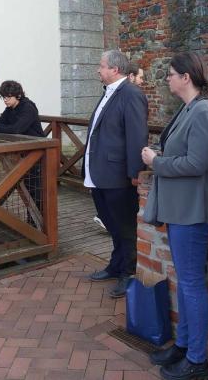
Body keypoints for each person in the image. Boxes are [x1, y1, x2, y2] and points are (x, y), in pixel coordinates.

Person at [141, 52, 208, 380]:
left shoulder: (204, 111)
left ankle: (197, 361)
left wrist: (156, 162)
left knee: (191, 284)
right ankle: (185, 346)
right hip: (181, 209)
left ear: (186, 77)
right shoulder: (189, 108)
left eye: (171, 74)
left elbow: (196, 164)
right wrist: (160, 156)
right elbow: (184, 153)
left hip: (193, 211)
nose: (167, 79)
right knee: (186, 283)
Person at [84, 50, 148, 298]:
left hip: (118, 175)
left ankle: (128, 273)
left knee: (125, 227)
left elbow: (137, 134)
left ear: (115, 69)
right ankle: (115, 265)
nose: (98, 70)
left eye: (101, 66)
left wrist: (135, 172)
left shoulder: (131, 94)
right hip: (100, 173)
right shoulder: (108, 92)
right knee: (111, 224)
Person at [0, 80, 44, 208]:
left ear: (18, 95)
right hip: (24, 153)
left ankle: (38, 219)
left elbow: (17, 129)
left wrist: (1, 129)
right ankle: (32, 218)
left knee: (37, 190)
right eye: (3, 97)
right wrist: (3, 128)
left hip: (39, 153)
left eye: (8, 97)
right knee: (28, 188)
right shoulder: (9, 109)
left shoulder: (28, 107)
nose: (5, 100)